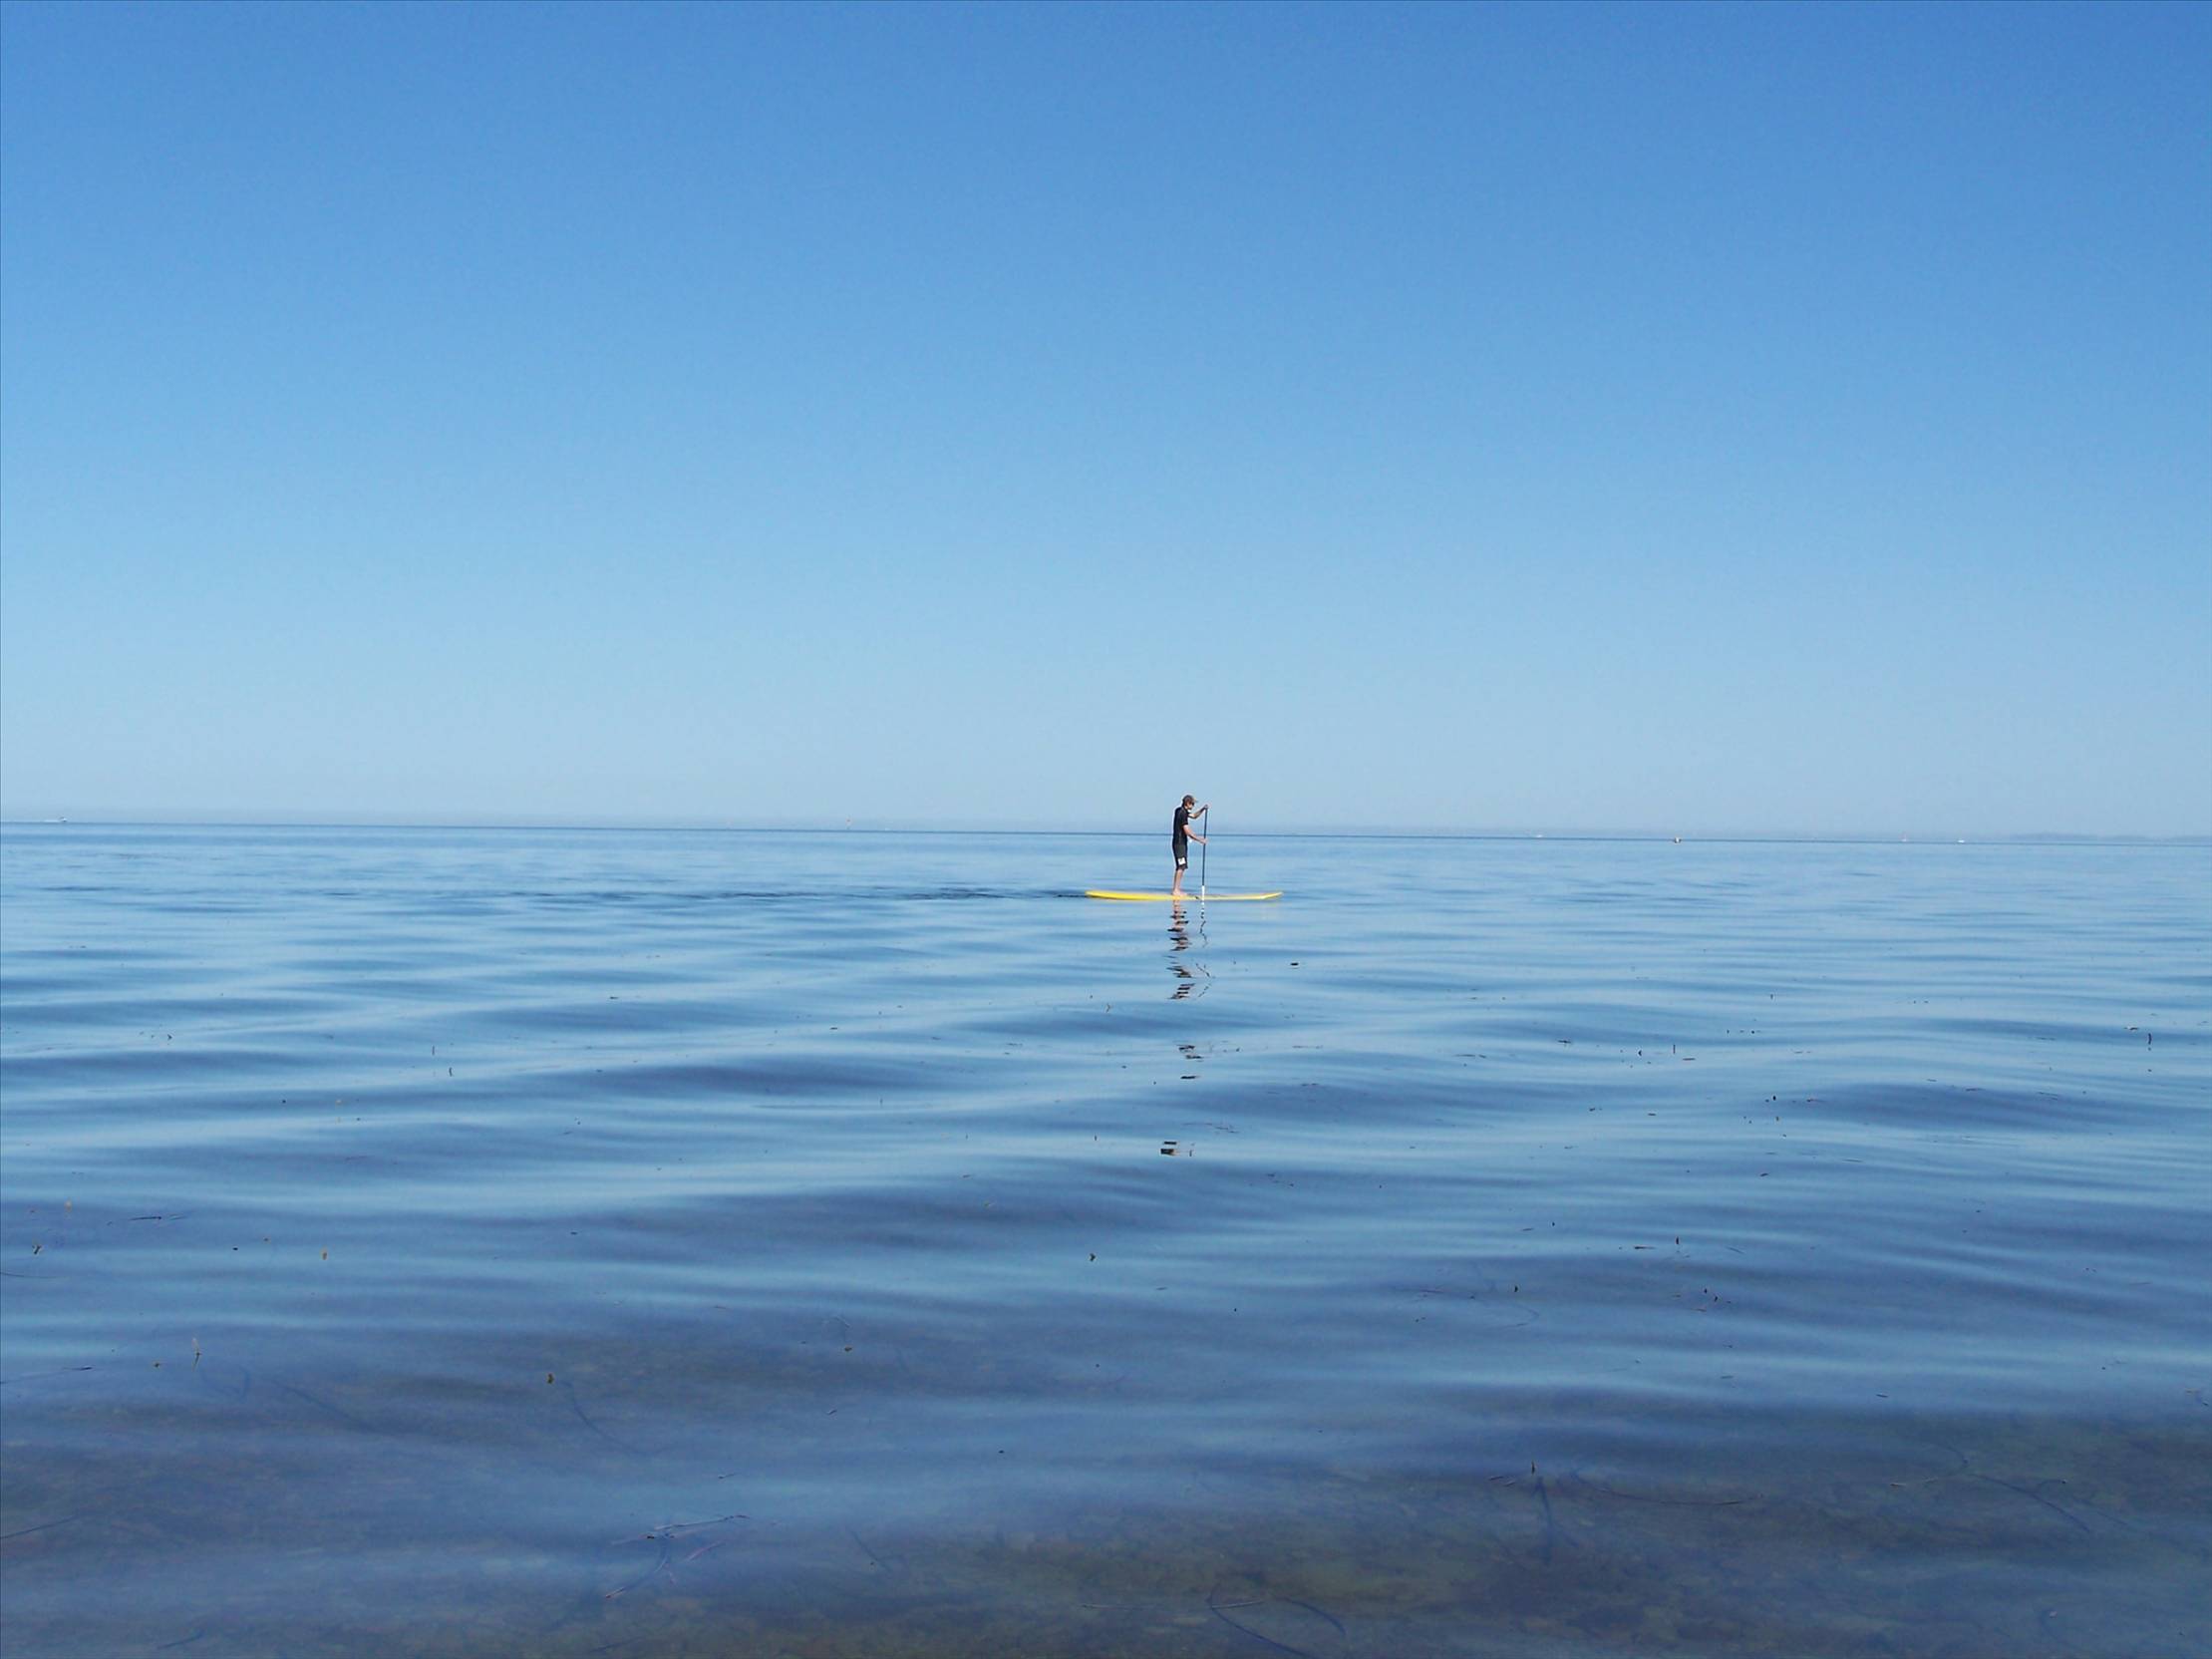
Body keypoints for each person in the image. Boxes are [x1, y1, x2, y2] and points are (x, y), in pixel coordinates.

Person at [1170, 794, 1207, 898]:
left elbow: (1194, 816)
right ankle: (1176, 890)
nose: (1193, 806)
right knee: (1181, 866)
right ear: (1188, 803)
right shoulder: (1182, 814)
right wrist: (1200, 839)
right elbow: (1187, 831)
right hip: (1179, 843)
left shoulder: (1180, 810)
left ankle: (1177, 889)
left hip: (1180, 843)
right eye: (1193, 804)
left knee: (1182, 866)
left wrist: (1203, 809)